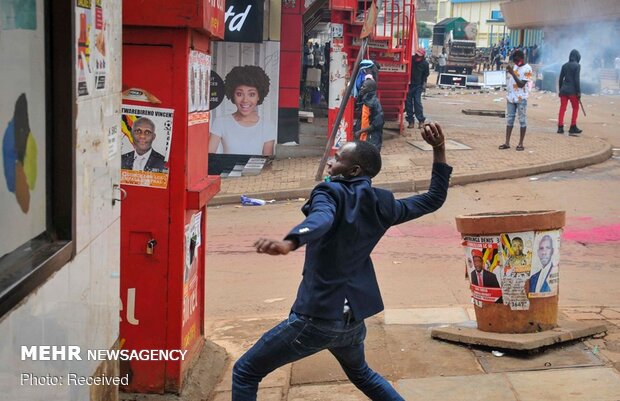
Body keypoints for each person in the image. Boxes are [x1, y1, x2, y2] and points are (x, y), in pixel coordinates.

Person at [232, 123, 452, 401]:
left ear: (354, 171)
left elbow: (321, 219)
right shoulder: (383, 203)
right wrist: (439, 149)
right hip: (352, 321)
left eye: (337, 160)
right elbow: (433, 198)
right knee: (363, 375)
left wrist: (291, 242)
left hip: (317, 320)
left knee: (245, 371)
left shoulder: (329, 193)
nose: (330, 165)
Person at [209, 65, 276, 156]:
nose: (245, 100)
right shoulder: (221, 122)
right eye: (239, 94)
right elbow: (208, 158)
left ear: (259, 96)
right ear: (233, 94)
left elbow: (267, 164)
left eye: (251, 94)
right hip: (226, 170)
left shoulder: (267, 127)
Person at [499, 50, 532, 151]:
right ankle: (507, 142)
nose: (516, 63)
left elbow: (521, 84)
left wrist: (512, 73)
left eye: (517, 61)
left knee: (522, 120)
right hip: (511, 97)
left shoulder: (527, 69)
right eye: (514, 61)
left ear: (521, 59)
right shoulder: (516, 66)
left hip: (521, 98)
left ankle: (520, 143)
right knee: (510, 119)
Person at [557, 49, 582, 135]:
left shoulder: (564, 65)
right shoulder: (577, 66)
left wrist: (560, 90)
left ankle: (560, 127)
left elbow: (560, 79)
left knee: (562, 108)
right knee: (575, 108)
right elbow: (576, 80)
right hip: (573, 92)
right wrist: (579, 92)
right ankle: (573, 126)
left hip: (564, 90)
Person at [354, 78, 384, 151]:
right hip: (364, 137)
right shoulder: (365, 101)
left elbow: (378, 123)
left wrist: (360, 131)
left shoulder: (374, 103)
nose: (361, 88)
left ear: (370, 89)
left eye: (364, 87)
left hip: (371, 138)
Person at [405, 48, 429, 129]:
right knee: (408, 103)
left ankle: (421, 120)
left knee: (417, 102)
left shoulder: (425, 64)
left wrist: (424, 85)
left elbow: (426, 75)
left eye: (419, 56)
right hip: (409, 84)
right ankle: (410, 121)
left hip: (418, 85)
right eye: (417, 55)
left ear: (423, 56)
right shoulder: (411, 59)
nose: (417, 57)